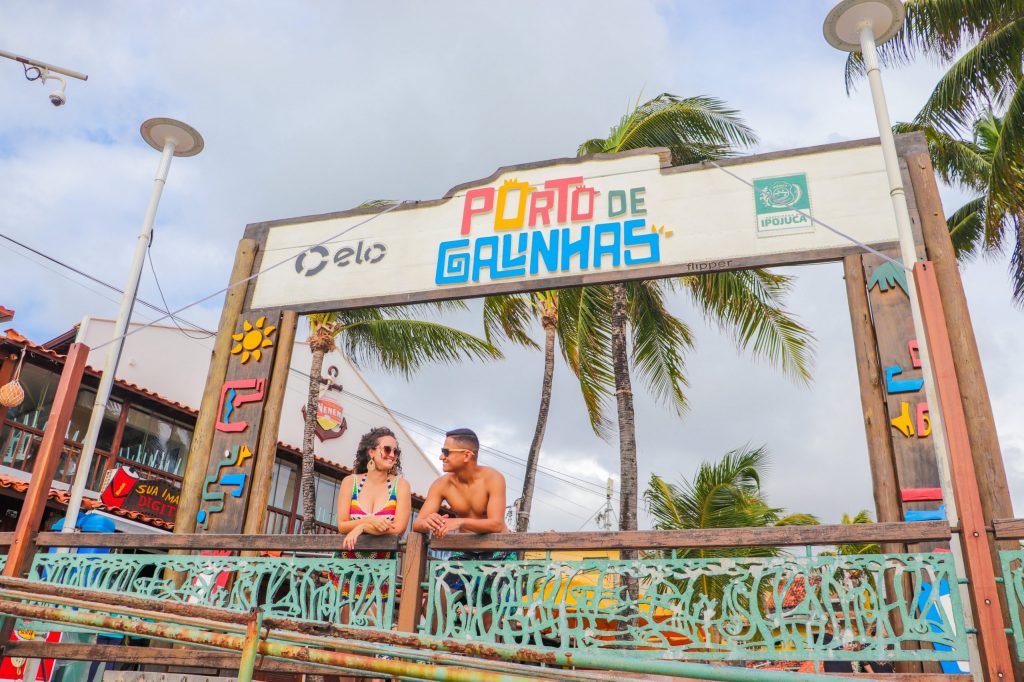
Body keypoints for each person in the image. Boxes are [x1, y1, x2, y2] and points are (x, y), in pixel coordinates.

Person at [412, 428, 513, 632]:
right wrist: (430, 521)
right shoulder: (441, 484)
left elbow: (495, 523)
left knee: (488, 621)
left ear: (467, 455)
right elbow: (417, 523)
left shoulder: (493, 478)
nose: (441, 456)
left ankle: (483, 662)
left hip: (498, 552)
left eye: (446, 451)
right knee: (434, 603)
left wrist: (459, 523)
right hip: (465, 551)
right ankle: (437, 656)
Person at [335, 427, 411, 616]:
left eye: (396, 452)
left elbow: (398, 529)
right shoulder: (349, 482)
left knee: (371, 631)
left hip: (381, 571)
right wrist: (370, 521)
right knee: (340, 633)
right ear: (371, 452)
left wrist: (361, 526)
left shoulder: (400, 485)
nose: (392, 455)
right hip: (347, 567)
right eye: (387, 449)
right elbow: (342, 525)